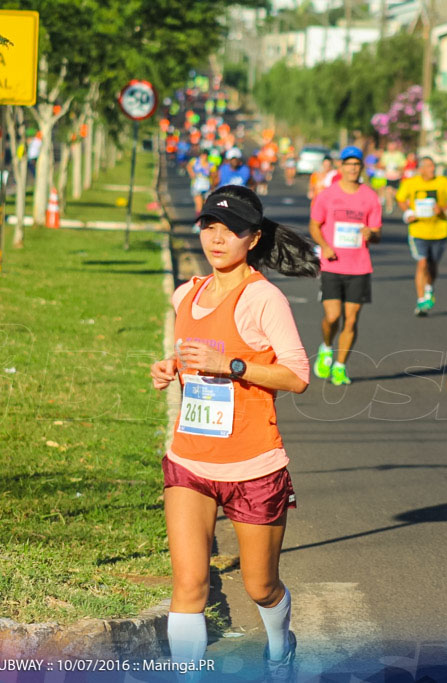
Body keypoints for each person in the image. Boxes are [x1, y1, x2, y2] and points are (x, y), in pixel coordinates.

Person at [149, 184, 319, 678]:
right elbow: (187, 360)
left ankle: (280, 643)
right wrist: (169, 369)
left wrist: (234, 363)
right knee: (189, 586)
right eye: (210, 227)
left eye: (231, 230)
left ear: (253, 238)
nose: (217, 239)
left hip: (253, 466)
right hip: (190, 462)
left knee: (259, 585)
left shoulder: (264, 299)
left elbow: (298, 376)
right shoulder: (188, 293)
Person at [308, 146, 382, 386]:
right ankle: (326, 346)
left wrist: (372, 233)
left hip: (359, 267)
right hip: (332, 264)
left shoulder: (370, 197)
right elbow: (314, 226)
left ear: (361, 168)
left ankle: (340, 367)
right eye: (348, 164)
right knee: (333, 316)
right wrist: (324, 246)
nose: (352, 168)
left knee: (351, 320)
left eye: (357, 164)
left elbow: (377, 232)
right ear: (341, 166)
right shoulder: (327, 195)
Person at [396, 157, 447, 316]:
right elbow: (400, 199)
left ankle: (429, 288)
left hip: (439, 230)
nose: (432, 169)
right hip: (418, 230)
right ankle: (421, 300)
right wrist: (408, 211)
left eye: (433, 166)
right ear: (420, 169)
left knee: (432, 265)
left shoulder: (443, 182)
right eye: (428, 166)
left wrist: (443, 207)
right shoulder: (411, 183)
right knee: (422, 262)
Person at [187, 149, 216, 220]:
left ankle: (204, 220)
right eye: (203, 155)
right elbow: (189, 166)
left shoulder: (211, 165)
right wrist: (192, 173)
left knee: (206, 205)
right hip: (196, 186)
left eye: (205, 155)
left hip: (207, 186)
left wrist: (213, 184)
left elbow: (214, 175)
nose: (204, 157)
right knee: (199, 205)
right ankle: (198, 221)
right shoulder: (195, 161)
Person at [380, 141, 407, 214]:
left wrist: (396, 167)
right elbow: (382, 165)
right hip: (388, 176)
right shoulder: (385, 155)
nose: (391, 148)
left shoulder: (399, 155)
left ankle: (396, 201)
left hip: (397, 176)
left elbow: (403, 165)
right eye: (389, 146)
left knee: (395, 192)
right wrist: (387, 167)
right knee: (388, 190)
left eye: (392, 146)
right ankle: (389, 206)